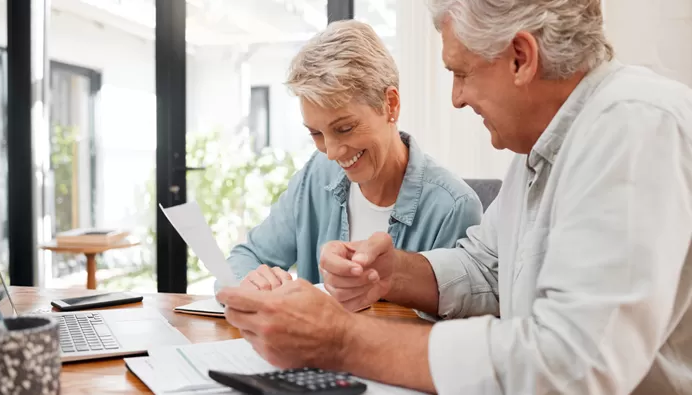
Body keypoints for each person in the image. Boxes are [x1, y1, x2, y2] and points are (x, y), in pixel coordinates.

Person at [217, 0, 692, 393]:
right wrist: (390, 272)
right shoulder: (541, 152)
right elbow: (486, 268)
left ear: (520, 58)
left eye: (460, 73)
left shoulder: (633, 126)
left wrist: (338, 339)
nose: (456, 98)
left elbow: (573, 364)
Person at [223, 20, 482, 290]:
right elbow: (244, 257)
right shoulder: (317, 175)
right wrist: (252, 282)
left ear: (390, 104)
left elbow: (444, 325)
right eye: (316, 134)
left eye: (344, 128)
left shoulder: (453, 208)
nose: (332, 152)